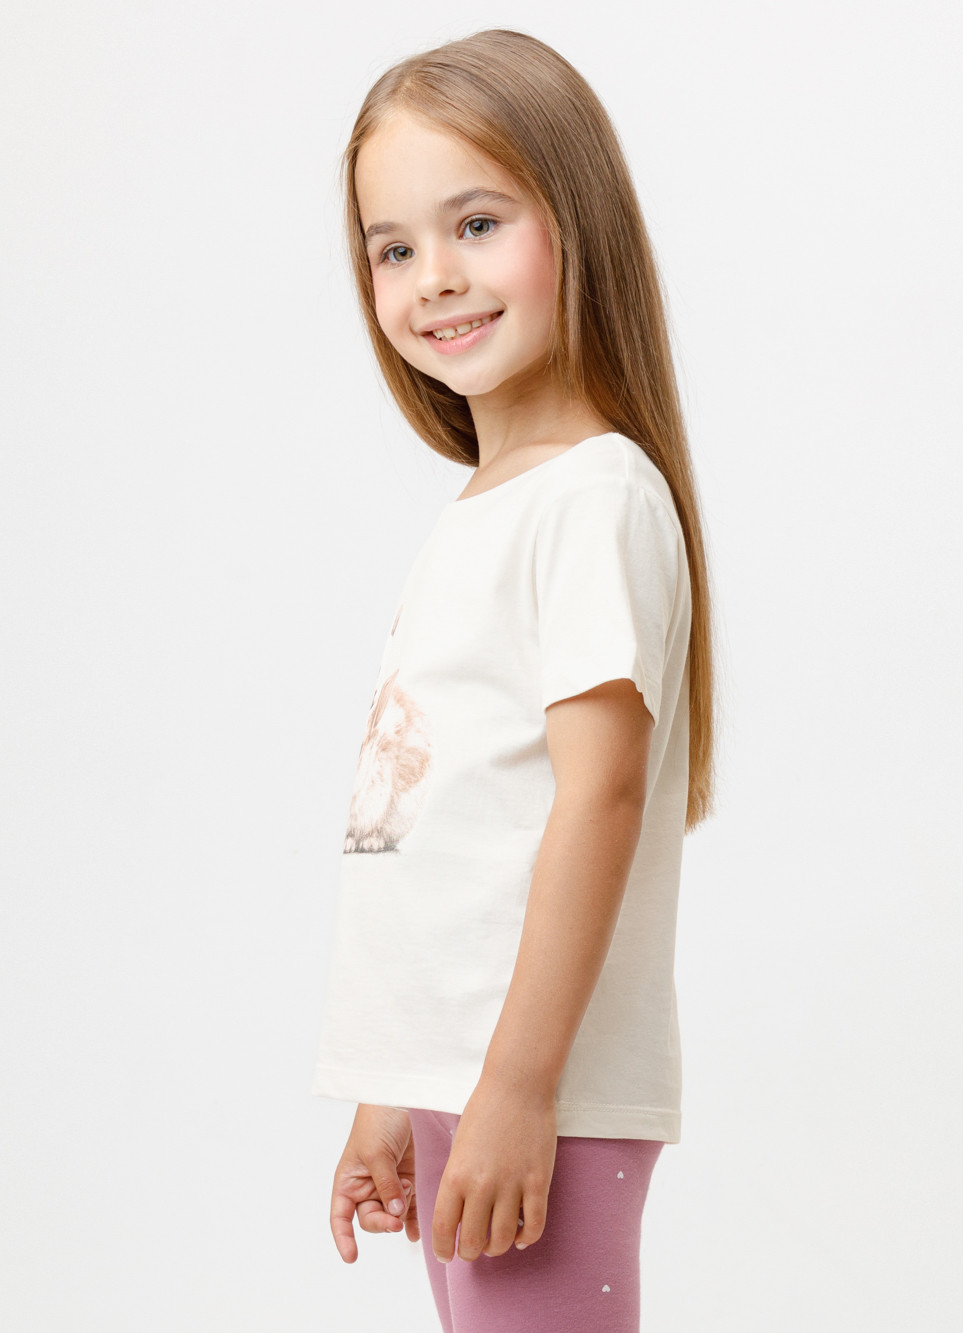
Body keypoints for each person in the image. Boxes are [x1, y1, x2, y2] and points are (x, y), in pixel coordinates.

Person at [311, 27, 718, 1332]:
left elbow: (598, 802)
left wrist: (517, 1087)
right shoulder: (489, 508)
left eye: (477, 224)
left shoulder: (594, 497)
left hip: (537, 1088)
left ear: (576, 223)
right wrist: (394, 1091)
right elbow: (451, 835)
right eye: (392, 247)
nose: (434, 276)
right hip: (468, 1081)